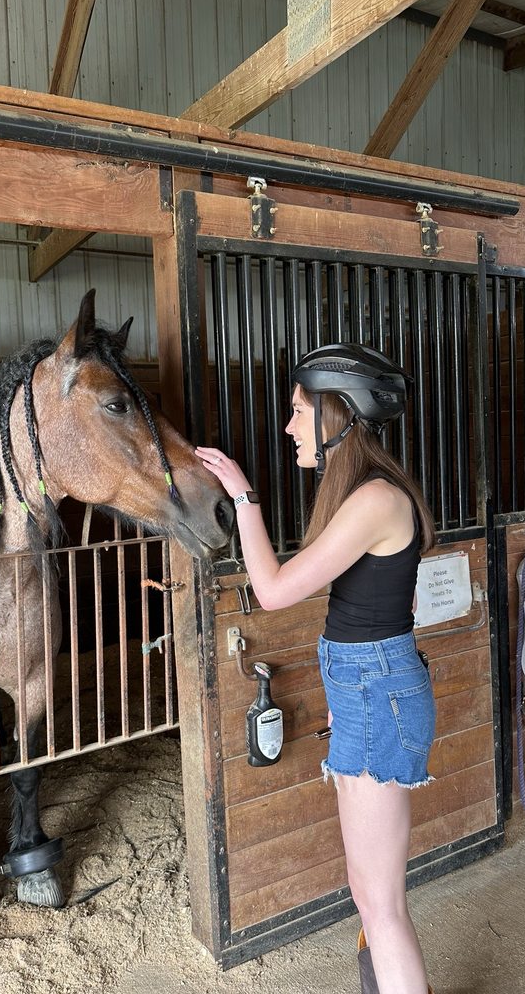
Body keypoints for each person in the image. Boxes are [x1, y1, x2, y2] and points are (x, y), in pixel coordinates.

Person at [196, 343, 436, 994]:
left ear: (339, 416)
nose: (289, 426)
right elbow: (369, 615)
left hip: (377, 691)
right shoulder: (365, 495)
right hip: (369, 690)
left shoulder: (375, 500)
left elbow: (273, 591)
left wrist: (243, 496)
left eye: (299, 411)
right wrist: (346, 694)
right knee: (373, 897)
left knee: (380, 906)